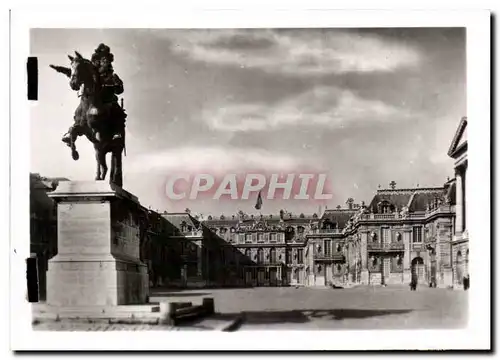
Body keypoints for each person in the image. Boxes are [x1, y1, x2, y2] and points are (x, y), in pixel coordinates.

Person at [60, 43, 127, 145]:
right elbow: (77, 85)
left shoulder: (112, 76)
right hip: (90, 100)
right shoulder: (90, 75)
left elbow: (120, 90)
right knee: (79, 111)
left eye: (105, 60)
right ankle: (71, 133)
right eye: (100, 60)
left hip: (107, 100)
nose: (103, 63)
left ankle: (116, 133)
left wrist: (116, 85)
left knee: (117, 111)